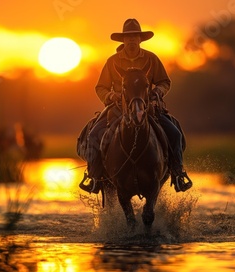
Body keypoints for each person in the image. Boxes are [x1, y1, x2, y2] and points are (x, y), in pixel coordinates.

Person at [79, 18, 192, 194]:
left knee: (175, 135)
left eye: (135, 36)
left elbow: (164, 82)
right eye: (128, 37)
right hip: (118, 108)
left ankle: (178, 174)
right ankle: (94, 177)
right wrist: (110, 95)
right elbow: (100, 87)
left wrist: (157, 93)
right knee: (94, 135)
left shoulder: (152, 59)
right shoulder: (112, 61)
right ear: (123, 40)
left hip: (149, 109)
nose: (131, 40)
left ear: (140, 39)